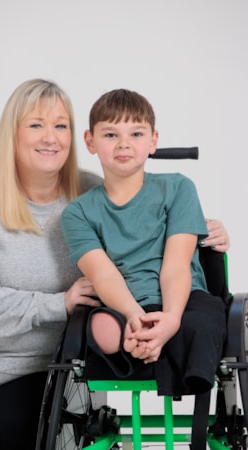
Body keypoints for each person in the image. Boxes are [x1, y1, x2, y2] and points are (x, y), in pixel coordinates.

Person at [0, 79, 229, 450]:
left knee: (7, 427)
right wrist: (64, 303)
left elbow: (158, 236)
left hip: (44, 367)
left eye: (59, 125)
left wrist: (205, 231)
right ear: (92, 141)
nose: (50, 137)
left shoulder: (98, 187)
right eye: (36, 124)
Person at [61, 88, 228, 397]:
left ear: (153, 141)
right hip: (124, 302)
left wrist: (172, 320)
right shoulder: (78, 212)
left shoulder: (178, 188)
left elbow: (176, 266)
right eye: (110, 134)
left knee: (205, 317)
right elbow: (104, 275)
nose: (124, 143)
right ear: (90, 141)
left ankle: (160, 348)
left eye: (136, 133)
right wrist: (137, 318)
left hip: (183, 296)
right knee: (104, 329)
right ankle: (139, 341)